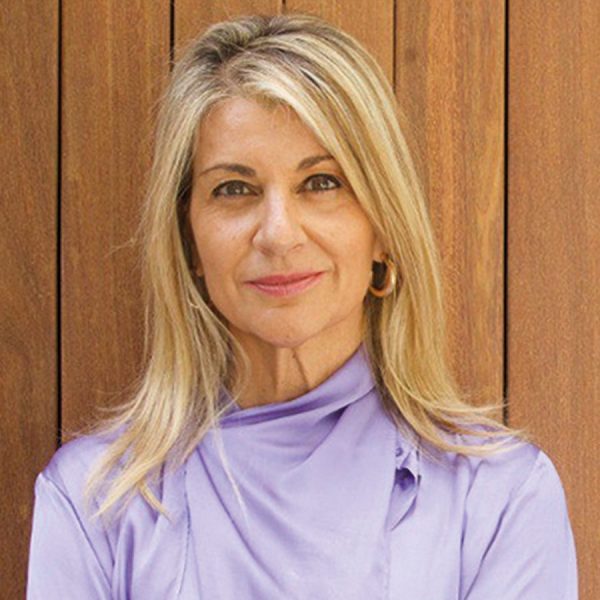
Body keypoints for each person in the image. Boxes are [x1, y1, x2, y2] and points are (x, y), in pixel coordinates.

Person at [27, 12, 578, 599]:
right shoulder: (97, 504)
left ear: (382, 226)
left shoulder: (498, 500)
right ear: (188, 240)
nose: (279, 234)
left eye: (321, 183)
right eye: (234, 189)